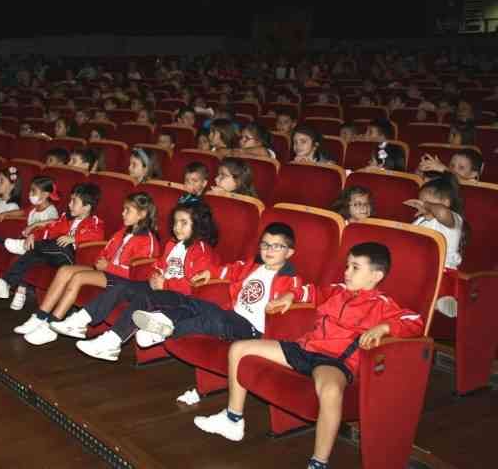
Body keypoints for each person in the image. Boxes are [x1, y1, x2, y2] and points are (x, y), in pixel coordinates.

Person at [193, 243, 424, 469]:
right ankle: (233, 419)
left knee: (331, 391)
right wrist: (290, 297)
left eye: (355, 268)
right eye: (347, 266)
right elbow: (310, 291)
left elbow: (414, 321)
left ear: (376, 275)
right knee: (239, 349)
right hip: (304, 349)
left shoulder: (381, 305)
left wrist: (383, 328)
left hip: (333, 361)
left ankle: (318, 462)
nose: (346, 272)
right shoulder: (337, 290)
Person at [49, 201, 219, 361]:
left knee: (144, 298)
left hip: (179, 298)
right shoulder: (172, 245)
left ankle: (112, 341)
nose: (176, 227)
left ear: (198, 226)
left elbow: (194, 286)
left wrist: (164, 285)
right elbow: (159, 265)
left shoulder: (202, 251)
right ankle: (81, 320)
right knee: (121, 286)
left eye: (183, 223)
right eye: (175, 222)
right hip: (160, 288)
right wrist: (155, 275)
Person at [131, 222, 308, 350]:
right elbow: (230, 270)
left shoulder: (289, 277)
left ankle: (166, 331)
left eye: (277, 246)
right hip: (231, 313)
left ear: (290, 252)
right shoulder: (251, 266)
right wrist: (211, 273)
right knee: (193, 303)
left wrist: (290, 295)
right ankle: (162, 320)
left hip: (251, 329)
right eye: (265, 244)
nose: (269, 250)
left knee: (214, 321)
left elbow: (302, 290)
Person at [15, 192, 160, 344]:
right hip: (106, 271)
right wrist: (100, 261)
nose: (122, 213)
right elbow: (105, 250)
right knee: (65, 270)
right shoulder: (123, 231)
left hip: (121, 279)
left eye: (127, 210)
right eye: (123, 209)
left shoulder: (148, 240)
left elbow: (138, 274)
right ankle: (40, 316)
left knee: (79, 277)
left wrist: (108, 267)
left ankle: (51, 326)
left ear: (142, 214)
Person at [0, 183, 105, 303]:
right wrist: (34, 235)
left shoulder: (94, 222)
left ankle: (22, 246)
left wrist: (74, 238)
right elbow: (50, 230)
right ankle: (5, 284)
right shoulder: (65, 218)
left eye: (74, 202)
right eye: (70, 200)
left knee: (58, 244)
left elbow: (97, 235)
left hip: (70, 257)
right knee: (32, 255)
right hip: (52, 253)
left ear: (87, 207)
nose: (69, 204)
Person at [404, 174, 465, 318]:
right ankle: (430, 300)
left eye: (427, 202)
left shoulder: (452, 219)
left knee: (440, 280)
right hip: (420, 267)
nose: (422, 205)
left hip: (443, 270)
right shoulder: (419, 221)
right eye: (421, 201)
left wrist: (427, 206)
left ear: (446, 202)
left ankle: (443, 300)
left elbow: (442, 212)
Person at [416, 149, 482, 183]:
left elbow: (458, 180)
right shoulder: (446, 176)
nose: (454, 170)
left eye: (461, 167)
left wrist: (442, 168)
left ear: (473, 174)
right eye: (452, 166)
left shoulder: (473, 183)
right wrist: (422, 171)